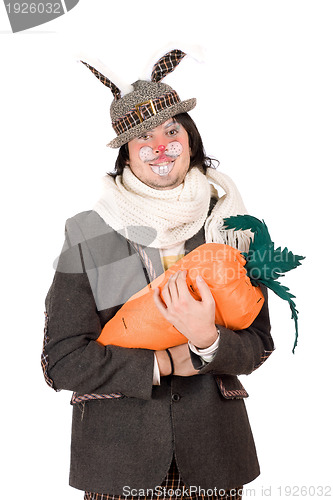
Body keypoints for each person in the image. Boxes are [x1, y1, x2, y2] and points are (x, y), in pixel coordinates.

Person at [42, 49, 274, 500]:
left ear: (191, 140)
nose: (160, 146)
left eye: (172, 130)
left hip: (215, 455)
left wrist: (209, 341)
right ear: (127, 154)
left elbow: (260, 345)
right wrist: (163, 363)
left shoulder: (234, 226)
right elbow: (61, 361)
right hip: (117, 457)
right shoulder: (90, 232)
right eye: (143, 136)